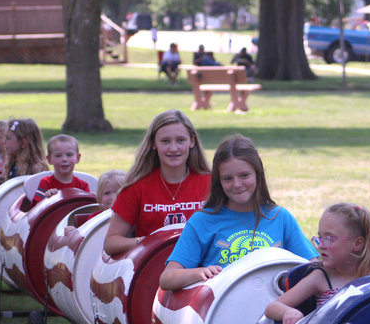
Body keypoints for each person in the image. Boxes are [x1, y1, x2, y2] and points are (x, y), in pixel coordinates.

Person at [159, 134, 317, 291]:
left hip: (276, 310)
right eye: (227, 178)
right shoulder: (202, 221)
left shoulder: (280, 217)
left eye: (244, 175)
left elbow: (313, 268)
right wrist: (199, 273)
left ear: (258, 174)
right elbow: (167, 278)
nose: (237, 184)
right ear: (218, 182)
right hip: (222, 312)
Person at [265, 203, 370, 324]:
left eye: (329, 238)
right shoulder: (321, 278)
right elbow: (272, 307)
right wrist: (288, 312)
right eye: (320, 237)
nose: (321, 245)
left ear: (357, 243)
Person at [103, 110, 212, 256]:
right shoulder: (137, 187)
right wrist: (148, 241)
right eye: (165, 141)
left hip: (203, 270)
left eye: (180, 140)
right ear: (153, 143)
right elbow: (111, 243)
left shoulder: (211, 184)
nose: (173, 148)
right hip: (151, 268)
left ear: (191, 141)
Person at [30, 134, 90, 206]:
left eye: (69, 155)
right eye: (58, 155)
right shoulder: (46, 183)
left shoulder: (83, 186)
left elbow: (88, 209)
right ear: (49, 160)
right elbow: (36, 211)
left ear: (77, 158)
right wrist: (47, 199)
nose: (64, 159)